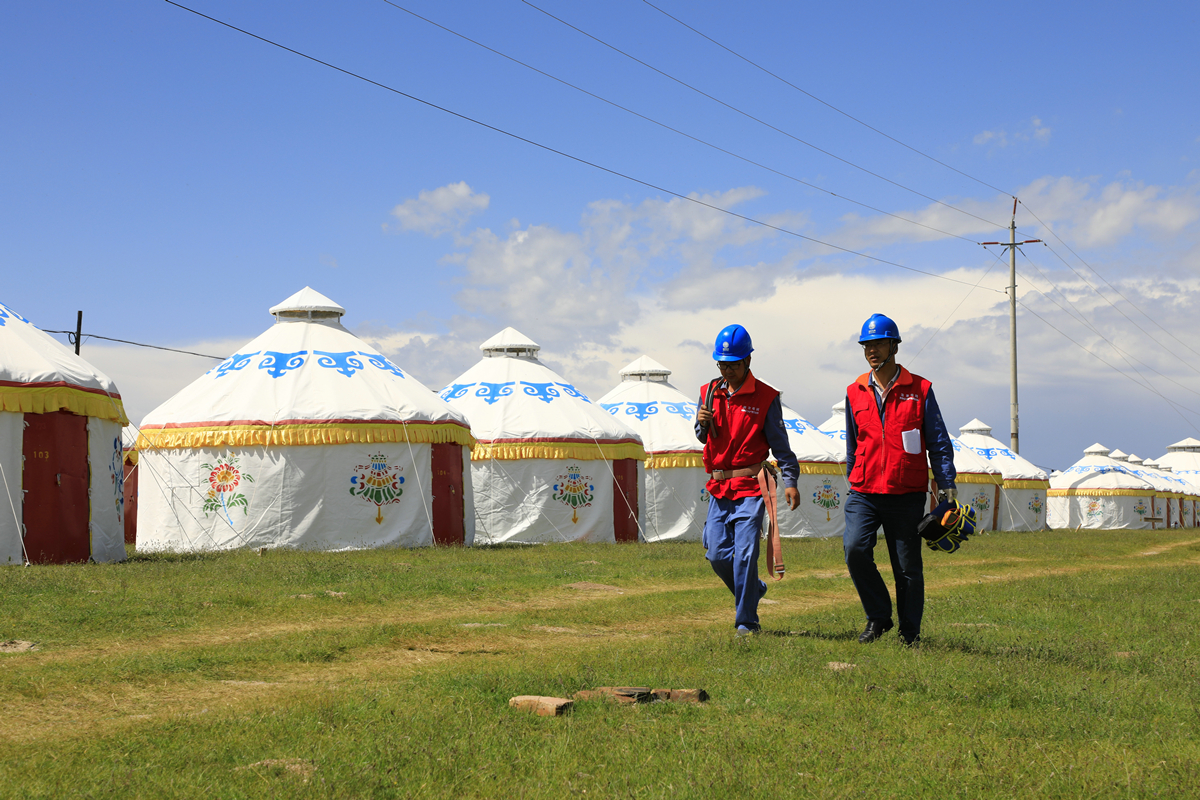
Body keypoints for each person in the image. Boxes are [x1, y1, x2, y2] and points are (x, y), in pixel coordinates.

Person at [843, 313, 956, 646]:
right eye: (866, 345)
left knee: (907, 567)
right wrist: (853, 478)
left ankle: (910, 633)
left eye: (877, 344)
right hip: (863, 489)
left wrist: (946, 487)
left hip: (906, 491)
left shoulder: (920, 389)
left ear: (894, 346)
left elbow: (938, 441)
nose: (871, 351)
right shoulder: (854, 391)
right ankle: (878, 617)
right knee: (854, 550)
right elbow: (853, 443)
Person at [696, 324, 801, 635]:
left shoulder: (766, 397)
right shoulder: (708, 392)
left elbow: (781, 446)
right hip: (719, 487)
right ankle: (753, 589)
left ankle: (747, 622)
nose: (727, 370)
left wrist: (791, 481)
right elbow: (704, 438)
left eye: (733, 364)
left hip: (752, 487)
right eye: (722, 364)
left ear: (748, 362)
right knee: (716, 554)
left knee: (744, 553)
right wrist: (701, 425)